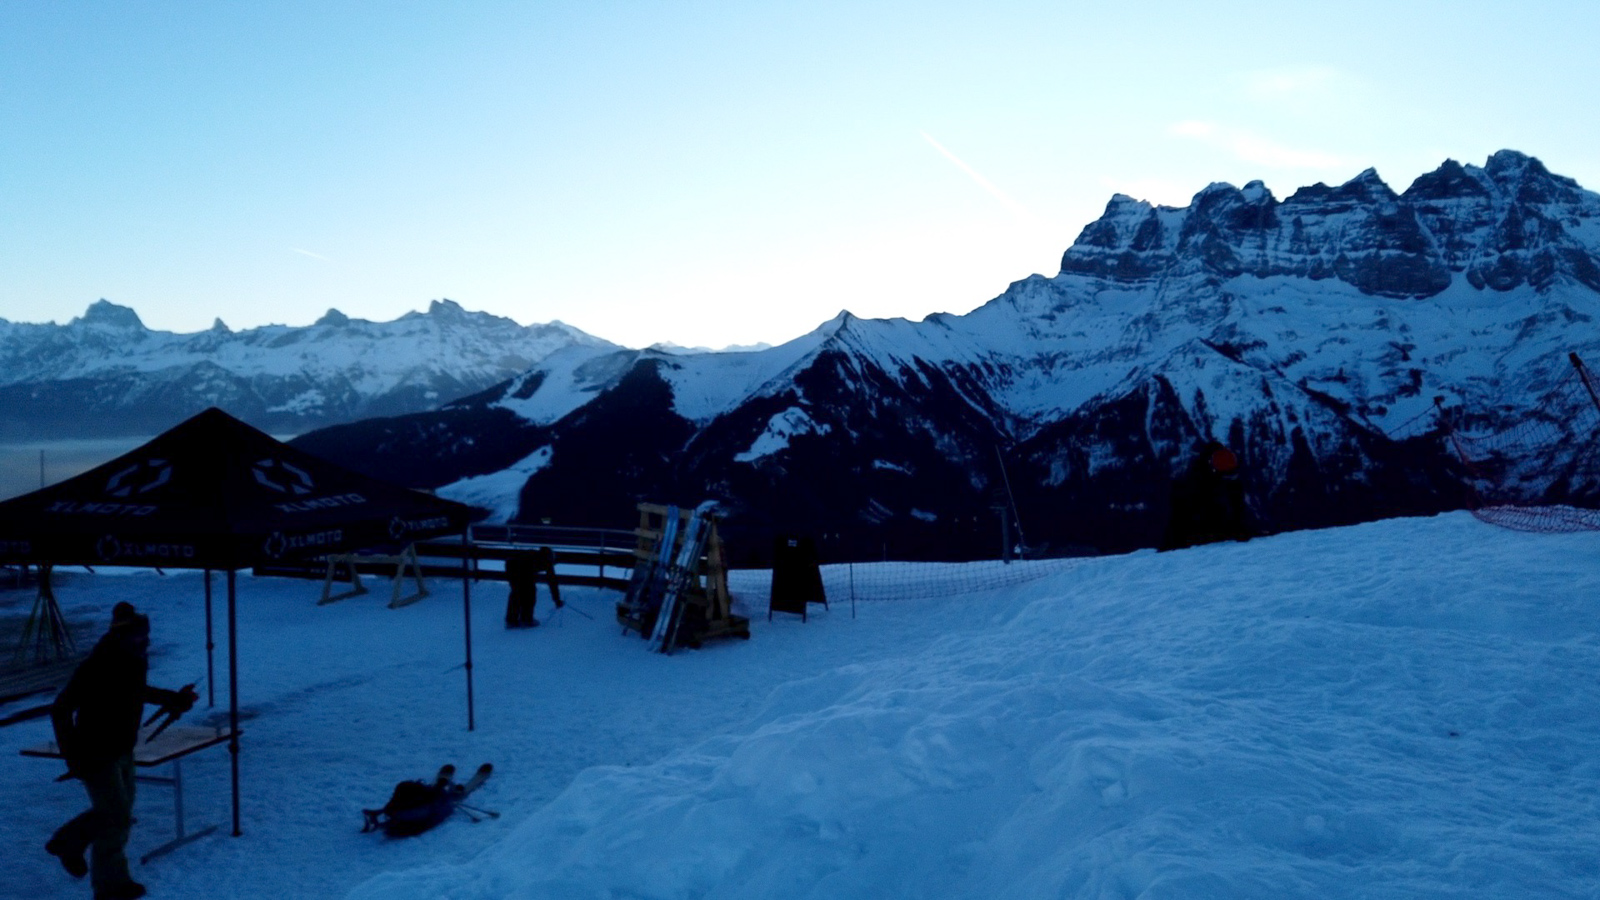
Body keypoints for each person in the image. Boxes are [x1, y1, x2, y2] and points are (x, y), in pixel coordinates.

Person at [45, 602, 196, 900]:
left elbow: (135, 692)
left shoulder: (133, 660)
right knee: (115, 816)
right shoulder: (97, 666)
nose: (146, 642)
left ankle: (105, 874)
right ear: (122, 636)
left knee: (118, 816)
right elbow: (60, 709)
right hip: (94, 752)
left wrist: (173, 699)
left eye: (147, 636)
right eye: (140, 636)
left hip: (122, 748)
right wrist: (73, 756)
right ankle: (89, 865)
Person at [1161, 440, 1255, 551]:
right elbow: (1185, 520)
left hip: (1202, 539)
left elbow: (1237, 510)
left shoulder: (1225, 481)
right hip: (1194, 540)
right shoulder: (1196, 485)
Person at [504, 547, 562, 629]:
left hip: (514, 565)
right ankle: (522, 619)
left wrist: (557, 600)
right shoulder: (537, 559)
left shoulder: (543, 560)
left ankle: (517, 619)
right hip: (514, 566)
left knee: (522, 591)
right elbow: (552, 582)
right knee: (525, 592)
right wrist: (557, 600)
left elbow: (552, 582)